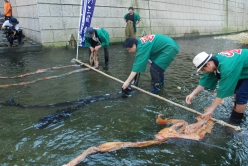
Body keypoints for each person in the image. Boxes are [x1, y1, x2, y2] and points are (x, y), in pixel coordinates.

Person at [185, 49, 248, 124]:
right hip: (243, 68)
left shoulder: (227, 67)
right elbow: (206, 79)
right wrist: (192, 94)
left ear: (208, 64)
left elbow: (224, 89)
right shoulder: (215, 60)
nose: (204, 71)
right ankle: (237, 108)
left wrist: (211, 109)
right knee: (236, 90)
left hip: (241, 68)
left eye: (203, 69)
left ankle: (235, 121)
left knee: (241, 94)